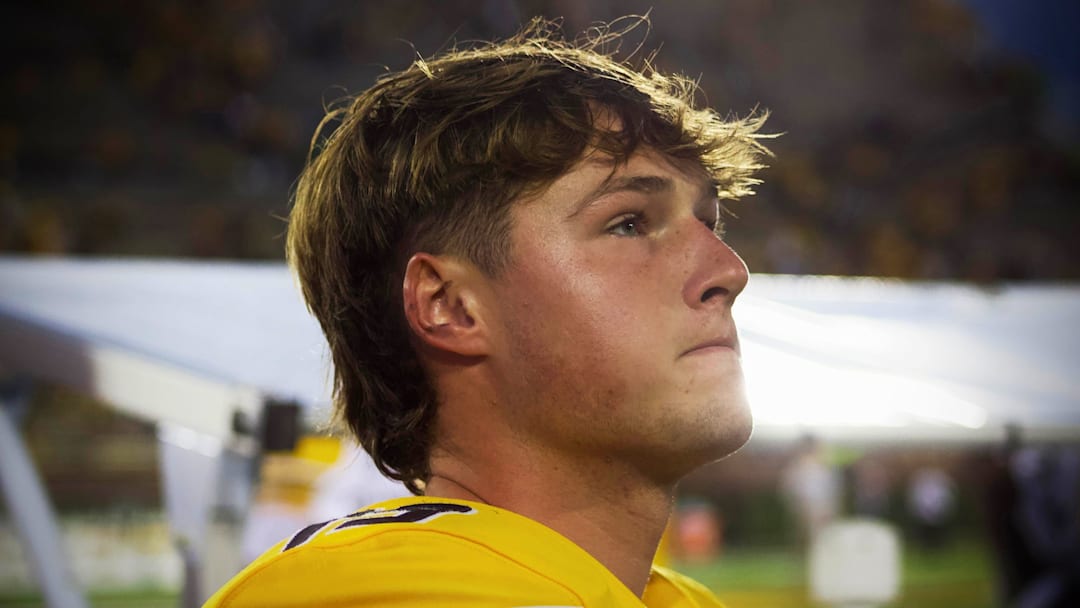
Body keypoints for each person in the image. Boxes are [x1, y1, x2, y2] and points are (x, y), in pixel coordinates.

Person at [205, 15, 770, 608]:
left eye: (708, 223)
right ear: (449, 306)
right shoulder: (381, 595)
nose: (729, 272)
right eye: (628, 224)